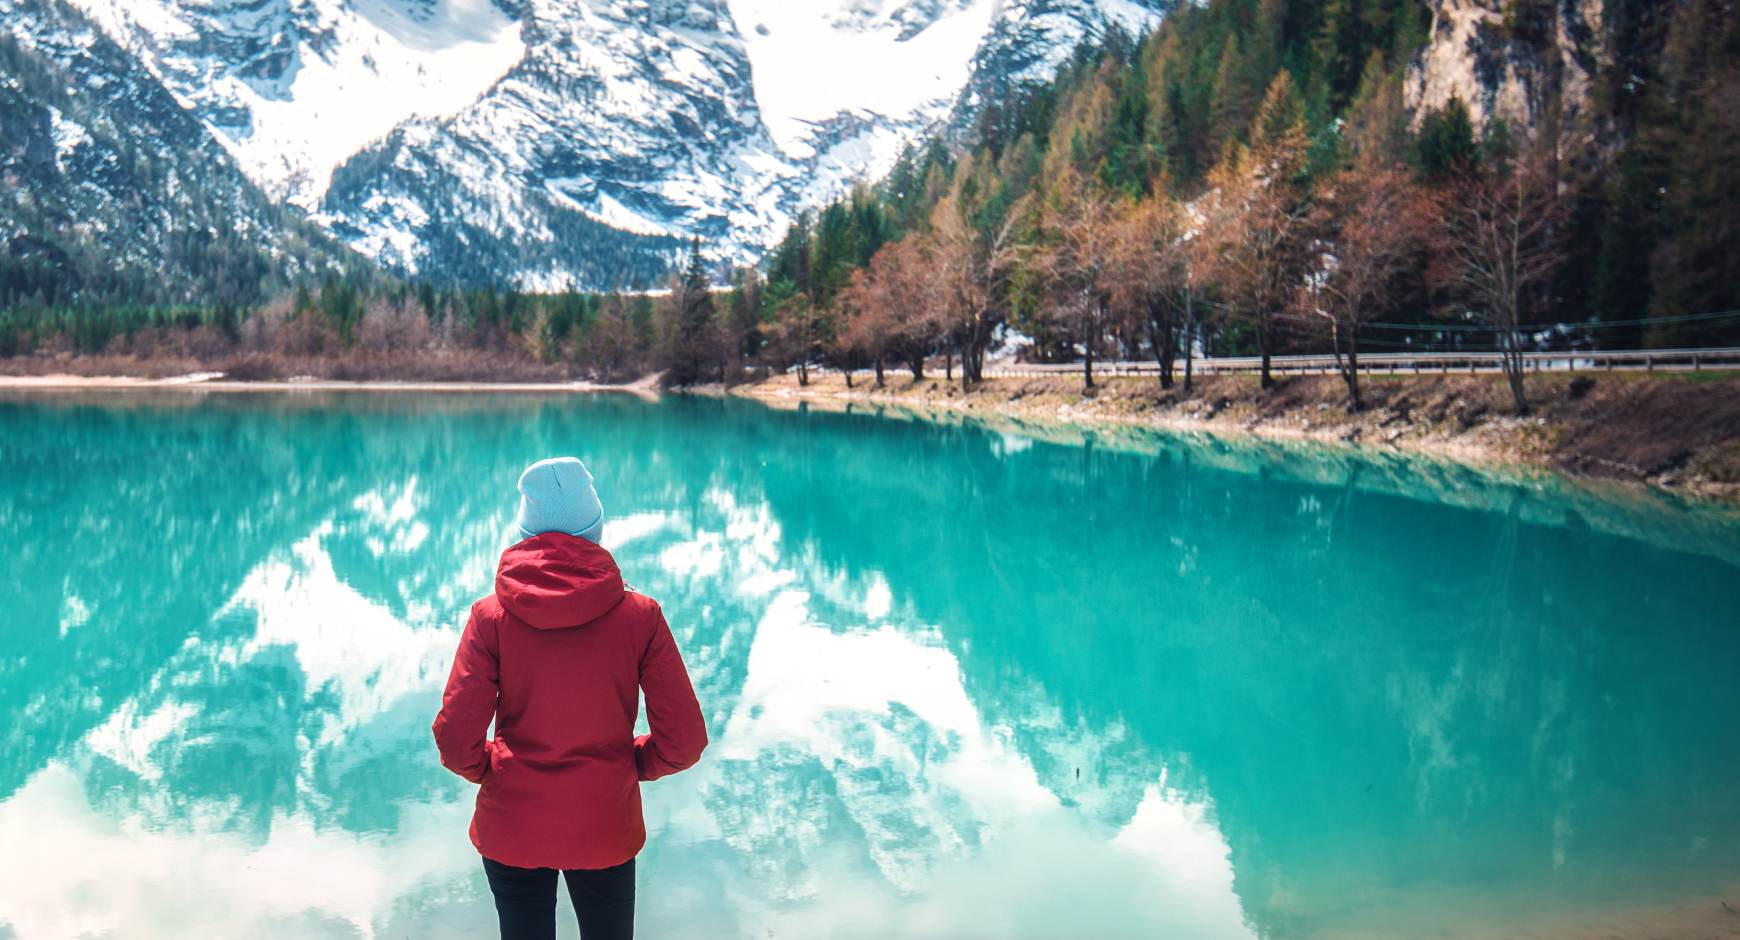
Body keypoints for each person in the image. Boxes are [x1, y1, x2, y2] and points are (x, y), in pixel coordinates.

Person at [434, 456, 707, 940]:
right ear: (595, 530)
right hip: (604, 821)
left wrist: (495, 769)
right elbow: (684, 742)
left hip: (512, 823)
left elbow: (456, 740)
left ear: (526, 533)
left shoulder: (490, 617)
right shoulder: (640, 616)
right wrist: (631, 763)